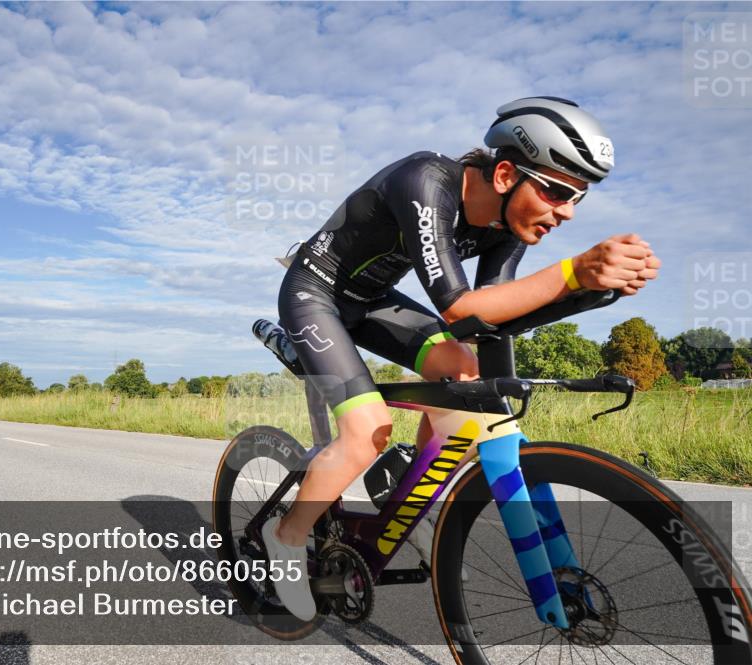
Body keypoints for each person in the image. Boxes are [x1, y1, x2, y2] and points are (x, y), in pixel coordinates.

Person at [262, 96, 661, 620]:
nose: (566, 212)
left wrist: (588, 294)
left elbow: (490, 320)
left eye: (576, 200)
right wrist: (572, 273)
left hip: (372, 301)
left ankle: (408, 505)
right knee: (367, 433)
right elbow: (457, 307)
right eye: (558, 192)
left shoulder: (506, 226)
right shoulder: (426, 182)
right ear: (502, 174)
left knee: (464, 375)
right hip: (315, 294)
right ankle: (286, 538)